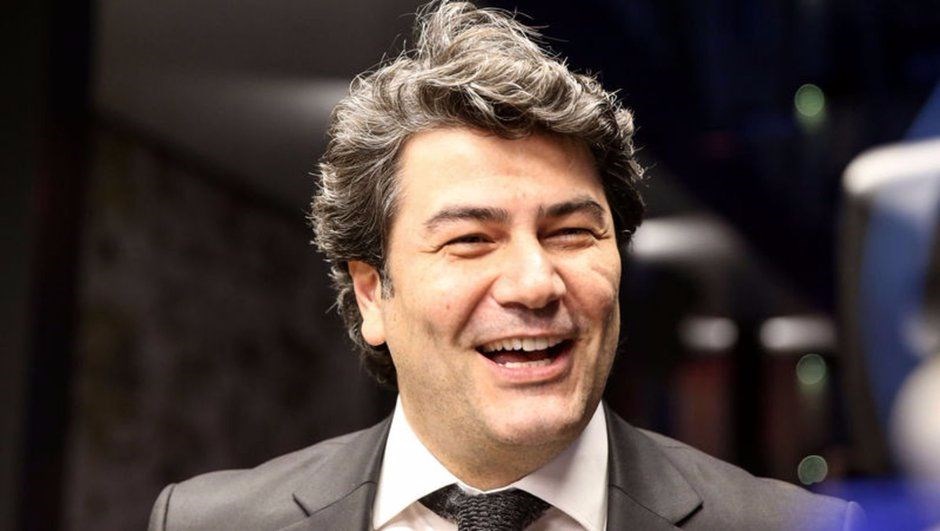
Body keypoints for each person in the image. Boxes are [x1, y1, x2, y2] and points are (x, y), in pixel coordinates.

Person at [148, 2, 865, 529]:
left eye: (572, 233)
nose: (535, 283)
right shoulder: (211, 523)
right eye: (471, 240)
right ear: (371, 295)